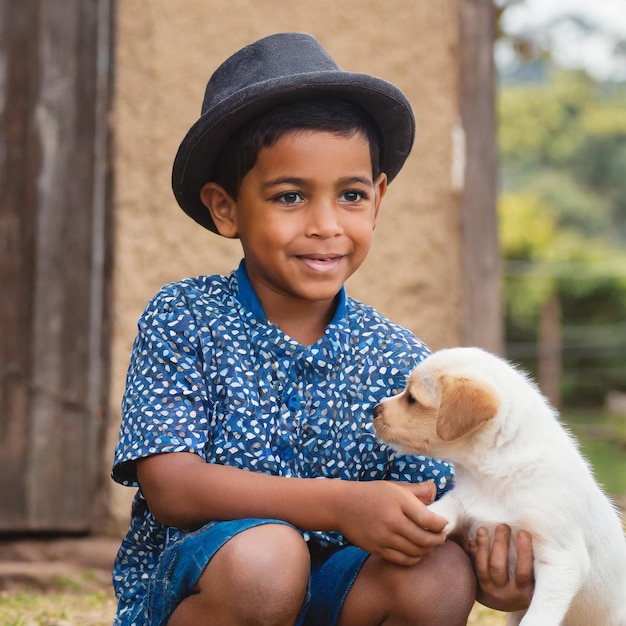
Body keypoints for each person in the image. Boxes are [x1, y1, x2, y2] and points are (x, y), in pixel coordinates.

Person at [111, 32, 534, 625]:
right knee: (268, 561)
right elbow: (173, 489)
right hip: (222, 589)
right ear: (225, 207)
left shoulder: (398, 358)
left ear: (379, 199)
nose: (326, 225)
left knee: (437, 574)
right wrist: (338, 504)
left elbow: (438, 509)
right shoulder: (184, 317)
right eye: (290, 196)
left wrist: (499, 567)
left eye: (352, 195)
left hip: (343, 595)